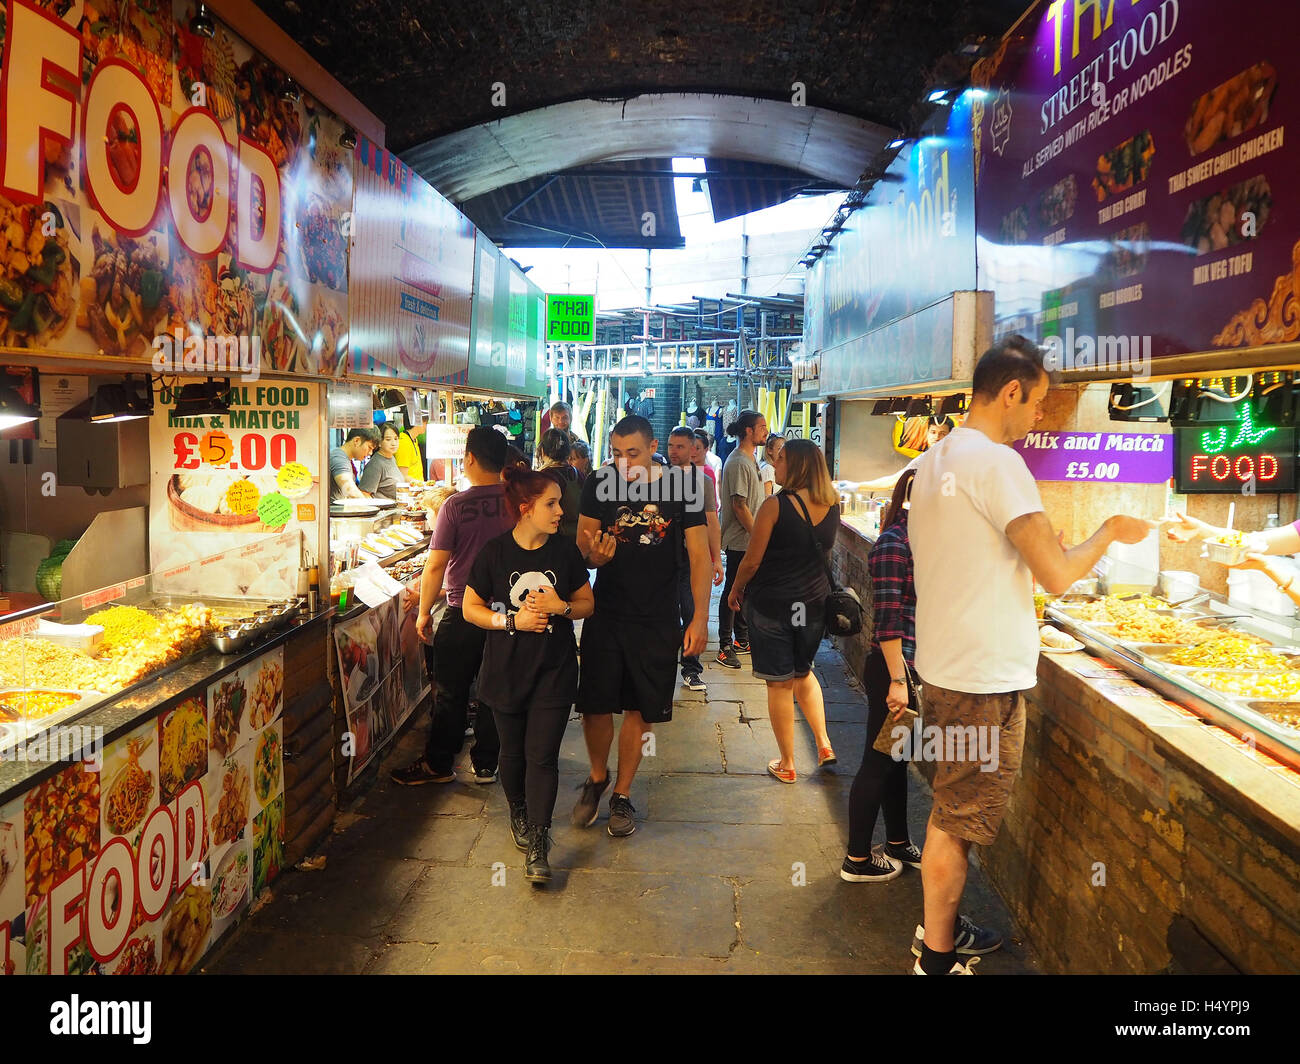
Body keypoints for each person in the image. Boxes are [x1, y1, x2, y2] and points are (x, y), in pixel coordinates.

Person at [907, 336, 1149, 974]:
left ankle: (942, 929)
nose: (1040, 416)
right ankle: (936, 957)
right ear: (1010, 392)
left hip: (949, 666)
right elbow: (1058, 575)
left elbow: (986, 557)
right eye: (1038, 402)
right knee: (957, 818)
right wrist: (1111, 532)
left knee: (951, 808)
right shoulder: (997, 463)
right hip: (980, 679)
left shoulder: (937, 459)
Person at [573, 415, 711, 837]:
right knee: (594, 704)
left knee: (640, 705)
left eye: (632, 453)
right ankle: (597, 776)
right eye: (616, 453)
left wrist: (700, 618)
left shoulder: (681, 487)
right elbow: (583, 538)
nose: (623, 462)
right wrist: (594, 557)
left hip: (657, 614)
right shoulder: (600, 482)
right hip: (607, 610)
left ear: (653, 447)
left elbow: (700, 555)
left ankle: (622, 792)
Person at [461, 467, 595, 883]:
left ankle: (539, 840)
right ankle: (517, 807)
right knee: (513, 754)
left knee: (542, 756)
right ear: (526, 509)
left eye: (560, 503)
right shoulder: (495, 553)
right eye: (551, 504)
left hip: (554, 671)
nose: (561, 511)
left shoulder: (565, 552)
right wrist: (511, 622)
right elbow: (471, 608)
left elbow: (587, 602)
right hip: (505, 669)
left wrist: (562, 609)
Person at [391, 426, 512, 787]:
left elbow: (435, 565)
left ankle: (440, 764)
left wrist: (424, 611)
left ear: (470, 458)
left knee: (451, 692)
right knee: (495, 689)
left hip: (462, 613)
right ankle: (487, 763)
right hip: (506, 615)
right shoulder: (517, 502)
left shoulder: (455, 506)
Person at [725, 439, 839, 781]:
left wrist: (735, 590)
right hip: (811, 606)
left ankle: (788, 764)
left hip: (774, 605)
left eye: (783, 459)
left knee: (779, 683)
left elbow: (752, 559)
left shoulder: (775, 505)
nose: (775, 464)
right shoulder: (832, 505)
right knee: (802, 672)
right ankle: (823, 743)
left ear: (800, 465)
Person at [842, 468, 922, 882]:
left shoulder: (923, 541)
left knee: (897, 759)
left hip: (909, 670)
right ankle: (856, 859)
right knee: (878, 760)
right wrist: (898, 682)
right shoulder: (895, 544)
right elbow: (889, 622)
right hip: (895, 669)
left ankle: (896, 842)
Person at [667, 427, 725, 692]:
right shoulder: (658, 479)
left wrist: (716, 559)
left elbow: (711, 520)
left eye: (679, 446)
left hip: (693, 559)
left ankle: (691, 669)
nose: (673, 451)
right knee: (667, 615)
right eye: (670, 446)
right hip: (665, 559)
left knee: (692, 611)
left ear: (692, 449)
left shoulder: (703, 480)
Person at [716, 410, 768, 669]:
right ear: (748, 430)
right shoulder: (738, 462)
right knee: (733, 592)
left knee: (744, 591)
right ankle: (725, 646)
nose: (765, 431)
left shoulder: (751, 459)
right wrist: (759, 534)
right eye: (761, 426)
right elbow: (739, 505)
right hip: (740, 540)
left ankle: (742, 639)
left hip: (749, 539)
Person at [856, 417, 954, 494]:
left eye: (942, 433)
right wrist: (857, 486)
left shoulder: (956, 457)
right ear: (927, 434)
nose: (937, 437)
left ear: (950, 436)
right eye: (933, 432)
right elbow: (895, 480)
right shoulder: (924, 459)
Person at [537, 428, 583, 541]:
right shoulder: (578, 474)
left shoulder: (544, 476)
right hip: (578, 534)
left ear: (542, 450)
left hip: (554, 537)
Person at [329, 427, 378, 502]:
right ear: (356, 441)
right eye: (369, 447)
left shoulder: (344, 458)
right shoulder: (338, 457)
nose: (370, 453)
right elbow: (349, 490)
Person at [359, 422, 404, 501]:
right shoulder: (375, 464)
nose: (393, 443)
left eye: (396, 439)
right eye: (388, 439)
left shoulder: (392, 458)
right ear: (379, 442)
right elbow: (364, 494)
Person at [395, 416, 428, 482]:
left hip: (418, 489)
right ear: (417, 422)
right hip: (410, 490)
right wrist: (420, 484)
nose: (426, 426)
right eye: (425, 423)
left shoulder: (414, 439)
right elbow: (402, 476)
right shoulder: (404, 442)